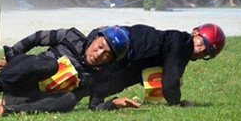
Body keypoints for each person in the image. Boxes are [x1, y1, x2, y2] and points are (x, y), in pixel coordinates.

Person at [0, 26, 135, 115]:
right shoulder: (70, 36)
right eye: (100, 47)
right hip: (21, 76)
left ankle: (11, 109)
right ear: (95, 38)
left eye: (107, 55)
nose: (99, 54)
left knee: (70, 99)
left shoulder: (101, 75)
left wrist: (114, 103)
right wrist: (10, 58)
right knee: (50, 64)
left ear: (110, 60)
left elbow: (95, 106)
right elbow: (37, 37)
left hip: (35, 96)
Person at [90, 23, 225, 107]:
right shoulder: (184, 43)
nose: (200, 50)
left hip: (126, 50)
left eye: (206, 51)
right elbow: (169, 85)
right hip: (124, 49)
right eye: (202, 43)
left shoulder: (174, 42)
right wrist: (176, 103)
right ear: (195, 32)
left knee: (88, 83)